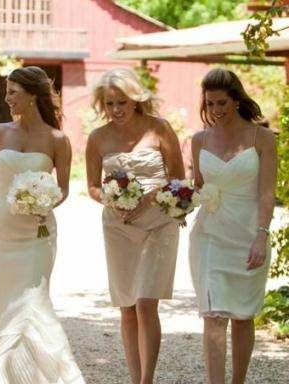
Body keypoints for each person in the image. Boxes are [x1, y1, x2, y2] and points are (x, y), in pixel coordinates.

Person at [0, 66, 85, 383]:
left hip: (37, 233)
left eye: (13, 92)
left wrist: (43, 202)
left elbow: (64, 190)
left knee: (32, 300)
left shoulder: (58, 140)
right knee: (3, 299)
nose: (7, 99)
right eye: (7, 92)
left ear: (32, 95)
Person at [85, 67, 184, 384]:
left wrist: (150, 196)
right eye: (110, 104)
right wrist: (112, 200)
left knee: (145, 301)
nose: (116, 110)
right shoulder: (97, 138)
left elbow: (179, 180)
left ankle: (147, 380)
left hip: (158, 223)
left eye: (122, 103)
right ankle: (134, 378)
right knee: (127, 306)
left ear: (136, 100)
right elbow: (92, 187)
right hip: (118, 226)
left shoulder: (160, 130)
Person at [189, 68, 277, 384]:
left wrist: (261, 235)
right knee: (212, 315)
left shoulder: (262, 138)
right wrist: (179, 201)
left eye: (222, 103)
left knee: (242, 316)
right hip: (209, 235)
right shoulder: (198, 140)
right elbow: (196, 186)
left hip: (248, 233)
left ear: (237, 99)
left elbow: (267, 193)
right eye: (210, 104)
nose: (216, 111)